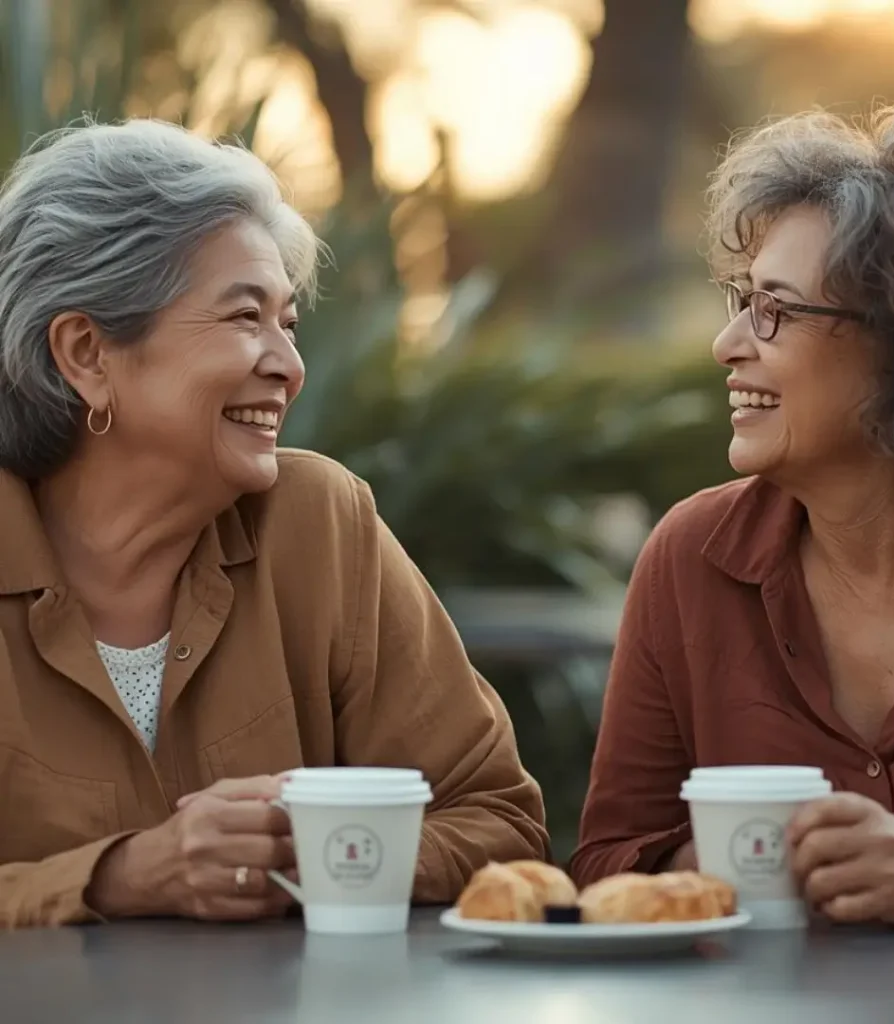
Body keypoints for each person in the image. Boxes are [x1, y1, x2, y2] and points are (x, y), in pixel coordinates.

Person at [0, 119, 547, 929]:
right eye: (243, 317)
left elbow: (500, 824)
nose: (289, 366)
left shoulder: (321, 524)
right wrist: (116, 877)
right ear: (87, 352)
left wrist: (320, 850)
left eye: (287, 323)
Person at [571, 102, 894, 925]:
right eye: (739, 299)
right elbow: (608, 858)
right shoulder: (689, 558)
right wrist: (720, 858)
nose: (729, 343)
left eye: (775, 308)